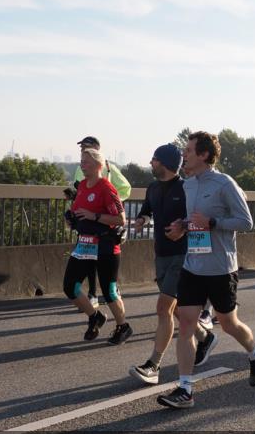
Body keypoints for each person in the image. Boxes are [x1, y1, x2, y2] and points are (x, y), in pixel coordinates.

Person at [157, 131, 255, 409]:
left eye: (189, 151)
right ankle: (185, 389)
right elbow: (195, 219)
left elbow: (246, 222)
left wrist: (212, 222)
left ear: (204, 155)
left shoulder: (224, 183)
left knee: (229, 323)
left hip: (220, 268)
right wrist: (182, 226)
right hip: (193, 265)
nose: (184, 155)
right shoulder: (189, 185)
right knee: (186, 323)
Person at [129, 144, 216, 385]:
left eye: (154, 159)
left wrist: (183, 228)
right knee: (176, 309)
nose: (150, 163)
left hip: (182, 256)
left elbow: (198, 218)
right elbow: (147, 210)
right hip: (161, 255)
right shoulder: (153, 188)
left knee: (163, 308)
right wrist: (140, 220)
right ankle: (204, 336)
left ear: (165, 163)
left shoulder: (186, 188)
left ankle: (153, 365)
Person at [62, 149, 133, 344]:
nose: (82, 165)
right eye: (81, 161)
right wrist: (71, 219)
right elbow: (78, 213)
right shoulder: (83, 186)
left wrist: (95, 216)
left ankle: (123, 326)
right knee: (70, 286)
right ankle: (95, 316)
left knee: (109, 291)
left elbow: (121, 219)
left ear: (98, 165)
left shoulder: (106, 188)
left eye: (86, 162)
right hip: (85, 244)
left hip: (106, 246)